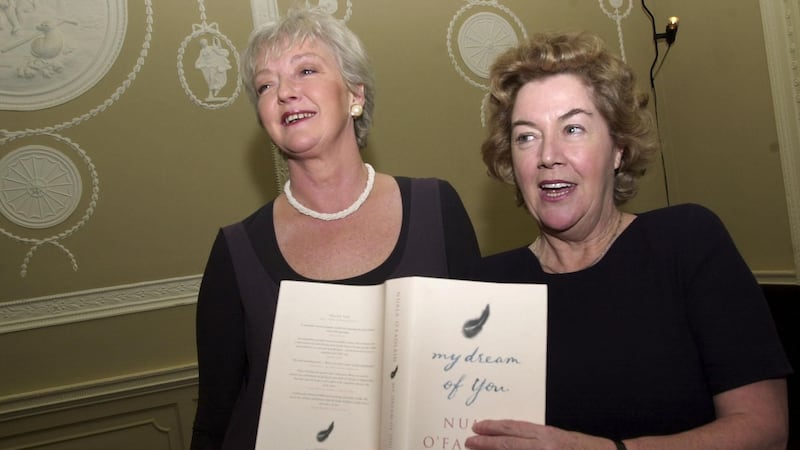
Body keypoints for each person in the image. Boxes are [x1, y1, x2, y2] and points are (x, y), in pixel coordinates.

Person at [468, 31, 791, 450]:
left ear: (618, 149)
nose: (548, 155)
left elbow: (765, 429)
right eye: (526, 136)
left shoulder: (687, 242)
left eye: (573, 128)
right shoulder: (483, 286)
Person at [190, 6, 480, 450]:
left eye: (306, 70)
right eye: (266, 85)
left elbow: (474, 370)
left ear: (354, 95)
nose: (285, 92)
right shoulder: (236, 249)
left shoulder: (436, 208)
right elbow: (215, 416)